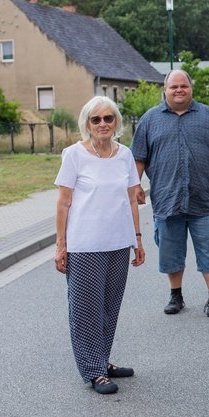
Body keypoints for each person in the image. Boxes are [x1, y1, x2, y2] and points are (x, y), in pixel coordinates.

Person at [54, 96, 145, 394]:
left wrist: (137, 240)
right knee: (86, 310)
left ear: (116, 122)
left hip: (118, 242)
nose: (103, 124)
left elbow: (132, 198)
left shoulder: (125, 155)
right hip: (85, 245)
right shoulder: (74, 155)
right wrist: (61, 245)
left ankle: (102, 360)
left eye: (108, 118)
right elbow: (64, 203)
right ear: (87, 124)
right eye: (96, 120)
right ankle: (93, 371)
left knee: (109, 307)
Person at [131, 69, 209, 317]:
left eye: (184, 86)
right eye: (173, 87)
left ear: (191, 88)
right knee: (170, 250)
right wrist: (135, 185)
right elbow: (138, 157)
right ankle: (175, 295)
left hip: (203, 199)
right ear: (165, 90)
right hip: (166, 199)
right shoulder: (149, 120)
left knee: (208, 248)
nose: (179, 90)